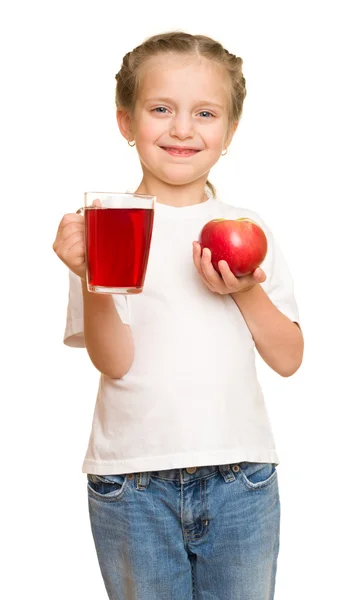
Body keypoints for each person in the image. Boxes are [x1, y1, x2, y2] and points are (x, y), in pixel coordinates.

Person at [53, 31, 304, 600]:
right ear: (125, 121)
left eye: (205, 113)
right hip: (132, 484)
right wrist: (92, 275)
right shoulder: (105, 226)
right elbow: (113, 361)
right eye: (160, 109)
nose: (182, 129)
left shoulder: (247, 228)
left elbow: (289, 358)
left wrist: (242, 289)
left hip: (241, 477)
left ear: (230, 132)